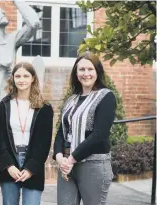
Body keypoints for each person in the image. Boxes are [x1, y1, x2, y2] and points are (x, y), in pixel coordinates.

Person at [53, 52, 116, 205]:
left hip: (93, 165)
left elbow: (99, 135)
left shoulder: (106, 97)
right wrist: (60, 158)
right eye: (81, 69)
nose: (86, 74)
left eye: (90, 69)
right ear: (76, 73)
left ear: (97, 72)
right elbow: (62, 132)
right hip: (67, 166)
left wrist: (71, 159)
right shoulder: (71, 100)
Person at [0, 62, 53, 205]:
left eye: (26, 76)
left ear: (33, 78)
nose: (22, 80)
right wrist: (8, 165)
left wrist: (31, 168)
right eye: (18, 76)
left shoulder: (44, 107)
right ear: (12, 78)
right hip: (10, 163)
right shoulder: (4, 105)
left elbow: (44, 142)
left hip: (33, 162)